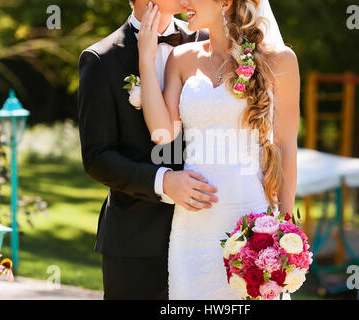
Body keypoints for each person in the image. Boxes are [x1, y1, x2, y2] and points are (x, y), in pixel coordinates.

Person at [137, 0, 300, 299]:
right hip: (194, 225)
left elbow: (286, 145)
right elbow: (162, 134)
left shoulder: (281, 60)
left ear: (225, 2)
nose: (184, 2)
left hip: (252, 219)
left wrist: (286, 227)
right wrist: (146, 62)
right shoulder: (181, 58)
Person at [77, 0, 214, 300]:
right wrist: (163, 181)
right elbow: (97, 157)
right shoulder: (101, 59)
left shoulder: (209, 42)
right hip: (136, 243)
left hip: (208, 233)